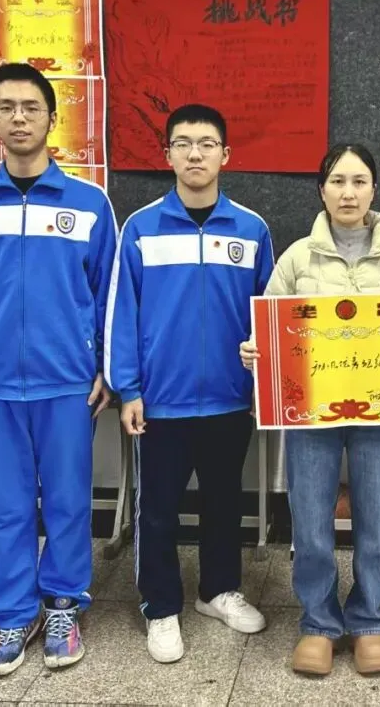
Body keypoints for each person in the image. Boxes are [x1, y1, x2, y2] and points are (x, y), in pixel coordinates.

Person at [238, 143, 380, 676]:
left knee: (376, 520)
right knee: (311, 520)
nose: (348, 192)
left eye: (359, 181)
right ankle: (318, 621)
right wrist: (256, 351)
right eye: (337, 181)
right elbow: (268, 330)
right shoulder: (297, 258)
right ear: (322, 190)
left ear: (374, 190)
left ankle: (369, 620)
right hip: (310, 414)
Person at [0, 63, 117, 676]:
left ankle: (63, 604)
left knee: (67, 502)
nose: (19, 118)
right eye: (7, 108)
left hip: (68, 384)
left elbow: (109, 296)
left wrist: (106, 368)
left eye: (31, 107)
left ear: (52, 118)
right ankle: (14, 613)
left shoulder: (89, 204)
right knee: (5, 506)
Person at [105, 104, 272, 664]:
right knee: (157, 510)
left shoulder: (251, 230)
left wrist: (263, 387)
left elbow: (270, 317)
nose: (195, 153)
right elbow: (121, 315)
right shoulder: (140, 228)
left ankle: (217, 591)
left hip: (230, 399)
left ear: (226, 155)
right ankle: (161, 606)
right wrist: (129, 389)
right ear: (167, 154)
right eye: (183, 143)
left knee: (224, 502)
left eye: (206, 144)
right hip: (161, 403)